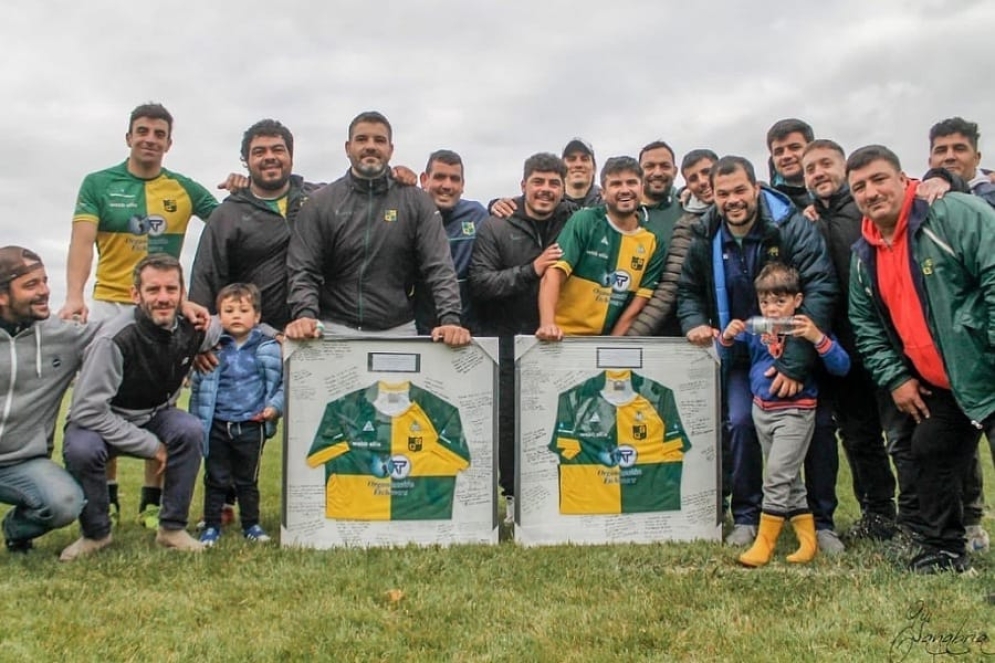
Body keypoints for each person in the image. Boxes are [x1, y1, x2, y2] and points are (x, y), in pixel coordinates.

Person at [60, 102, 219, 525]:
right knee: (104, 401)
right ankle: (105, 500)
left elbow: (228, 225)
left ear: (169, 142)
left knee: (161, 397)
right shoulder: (98, 183)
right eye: (142, 131)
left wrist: (193, 300)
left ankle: (155, 502)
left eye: (159, 133)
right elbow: (81, 242)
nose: (150, 138)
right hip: (112, 300)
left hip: (164, 304)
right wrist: (75, 295)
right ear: (128, 136)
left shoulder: (184, 188)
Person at [676, 155, 837, 549]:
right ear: (712, 196)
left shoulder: (790, 226)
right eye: (723, 193)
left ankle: (822, 522)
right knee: (740, 424)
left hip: (794, 352)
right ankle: (747, 516)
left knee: (819, 430)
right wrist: (694, 322)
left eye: (740, 190)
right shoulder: (704, 235)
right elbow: (688, 292)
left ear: (757, 188)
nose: (733, 200)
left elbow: (820, 286)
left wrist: (796, 364)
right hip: (741, 357)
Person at [848, 144, 995, 573]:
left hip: (985, 367)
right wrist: (896, 378)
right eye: (859, 186)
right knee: (930, 450)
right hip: (942, 381)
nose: (871, 192)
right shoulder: (864, 256)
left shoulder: (953, 215)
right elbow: (867, 327)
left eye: (878, 179)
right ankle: (944, 550)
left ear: (902, 178)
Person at [60, 254, 222, 560]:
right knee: (82, 448)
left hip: (153, 415)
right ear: (136, 295)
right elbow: (87, 411)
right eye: (153, 290)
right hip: (100, 420)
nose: (163, 298)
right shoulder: (113, 339)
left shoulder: (194, 326)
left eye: (171, 290)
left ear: (182, 294)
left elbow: (228, 324)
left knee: (190, 430)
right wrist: (151, 446)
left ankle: (172, 528)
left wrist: (208, 344)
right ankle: (96, 533)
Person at [284, 111, 469, 347]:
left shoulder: (416, 201)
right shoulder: (321, 203)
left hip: (398, 330)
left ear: (390, 149)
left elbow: (439, 267)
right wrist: (304, 315)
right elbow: (303, 269)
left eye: (379, 140)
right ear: (348, 147)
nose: (371, 146)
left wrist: (451, 318)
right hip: (333, 330)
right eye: (362, 139)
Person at [718, 264, 850, 567]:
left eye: (780, 301)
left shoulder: (807, 327)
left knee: (776, 477)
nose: (773, 309)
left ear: (798, 299)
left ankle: (764, 544)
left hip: (796, 412)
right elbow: (726, 354)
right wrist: (728, 336)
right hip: (761, 411)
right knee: (791, 484)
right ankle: (808, 540)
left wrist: (818, 338)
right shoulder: (758, 327)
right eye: (766, 302)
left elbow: (841, 365)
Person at [469, 152, 576, 522]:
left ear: (563, 188)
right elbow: (480, 284)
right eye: (538, 182)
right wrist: (532, 269)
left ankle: (558, 498)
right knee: (509, 426)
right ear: (523, 185)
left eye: (553, 183)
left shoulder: (575, 221)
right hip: (506, 340)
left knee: (561, 421)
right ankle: (513, 498)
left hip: (561, 340)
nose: (545, 190)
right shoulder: (495, 225)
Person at [801, 139, 898, 541]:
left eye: (826, 164)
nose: (819, 173)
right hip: (839, 348)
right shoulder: (806, 220)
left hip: (886, 341)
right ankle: (878, 515)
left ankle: (927, 517)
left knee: (904, 435)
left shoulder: (865, 210)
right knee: (859, 438)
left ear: (843, 168)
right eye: (811, 169)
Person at [190, 119, 320, 331]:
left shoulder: (318, 200)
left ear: (291, 156)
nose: (270, 157)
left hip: (312, 330)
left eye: (278, 150)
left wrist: (393, 175)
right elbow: (205, 279)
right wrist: (200, 340)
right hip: (252, 339)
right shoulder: (227, 215)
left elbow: (356, 191)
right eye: (259, 152)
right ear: (246, 161)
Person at [0, 247, 90, 553]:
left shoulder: (65, 336)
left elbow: (120, 333)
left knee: (65, 503)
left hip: (23, 462)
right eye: (30, 285)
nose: (44, 292)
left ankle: (15, 530)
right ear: (2, 296)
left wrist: (186, 316)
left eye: (44, 281)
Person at [189, 283, 283, 547]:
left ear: (258, 317)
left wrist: (275, 407)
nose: (236, 315)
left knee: (247, 480)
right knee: (215, 478)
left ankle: (251, 525)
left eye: (244, 310)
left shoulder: (269, 349)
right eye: (228, 310)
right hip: (217, 424)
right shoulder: (210, 349)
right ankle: (211, 526)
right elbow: (198, 388)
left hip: (251, 425)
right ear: (219, 316)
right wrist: (197, 421)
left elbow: (284, 384)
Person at [535, 156, 664, 341]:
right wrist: (547, 324)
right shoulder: (585, 220)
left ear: (642, 189)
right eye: (616, 184)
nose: (625, 190)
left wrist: (611, 345)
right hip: (562, 337)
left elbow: (637, 306)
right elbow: (553, 274)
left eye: (631, 183)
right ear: (603, 192)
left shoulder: (653, 241)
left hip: (604, 341)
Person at [628, 149, 717, 337]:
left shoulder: (684, 209)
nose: (658, 172)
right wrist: (628, 339)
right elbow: (671, 284)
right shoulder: (688, 222)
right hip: (680, 323)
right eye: (650, 166)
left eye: (664, 166)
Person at [413, 149, 489, 334]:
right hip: (417, 331)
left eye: (454, 179)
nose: (447, 185)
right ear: (424, 179)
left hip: (469, 333)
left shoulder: (477, 215)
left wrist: (499, 203)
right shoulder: (410, 214)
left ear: (463, 185)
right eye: (439, 177)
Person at [766, 118, 814, 208]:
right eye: (779, 152)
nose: (786, 156)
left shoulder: (840, 192)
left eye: (795, 147)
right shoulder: (766, 204)